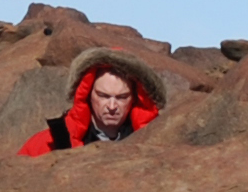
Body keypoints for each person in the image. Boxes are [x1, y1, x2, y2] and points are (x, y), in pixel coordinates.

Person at [17, 55, 158, 158]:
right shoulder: (50, 142)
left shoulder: (156, 142)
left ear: (135, 98)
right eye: (103, 96)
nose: (112, 106)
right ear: (87, 94)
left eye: (121, 97)